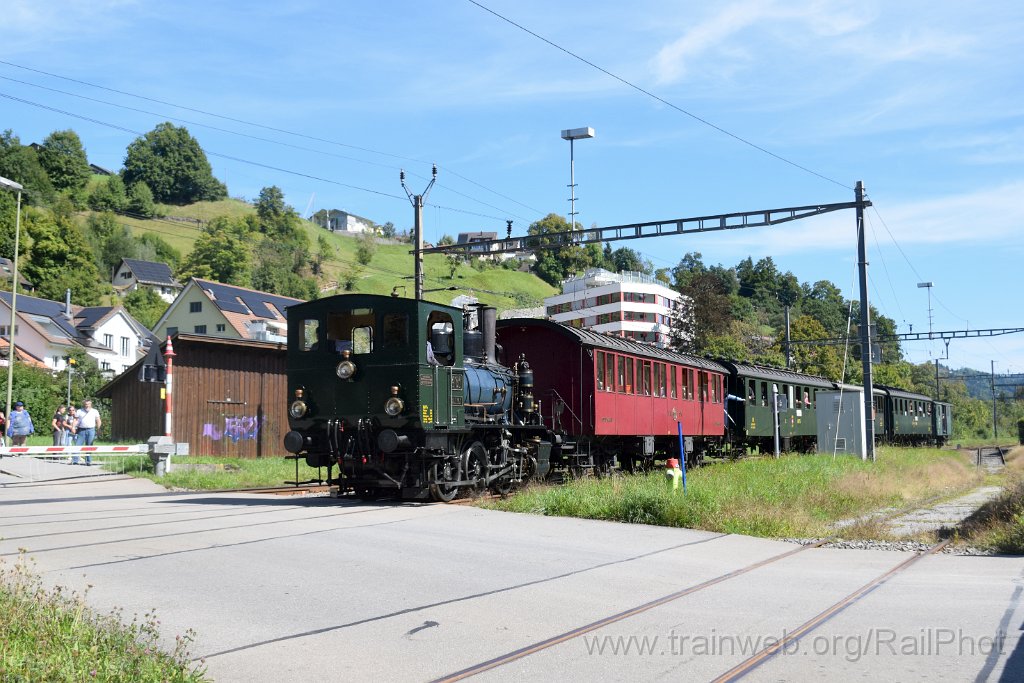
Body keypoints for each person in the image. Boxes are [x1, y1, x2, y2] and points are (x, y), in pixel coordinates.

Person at [75, 399, 101, 465]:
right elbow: (75, 420)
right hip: (81, 430)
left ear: (91, 404)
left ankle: (88, 461)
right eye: (86, 404)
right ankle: (75, 460)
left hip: (91, 430)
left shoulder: (95, 411)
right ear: (83, 404)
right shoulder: (79, 411)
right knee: (78, 445)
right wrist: (73, 427)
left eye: (88, 404)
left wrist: (99, 429)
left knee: (89, 446)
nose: (87, 405)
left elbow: (98, 420)